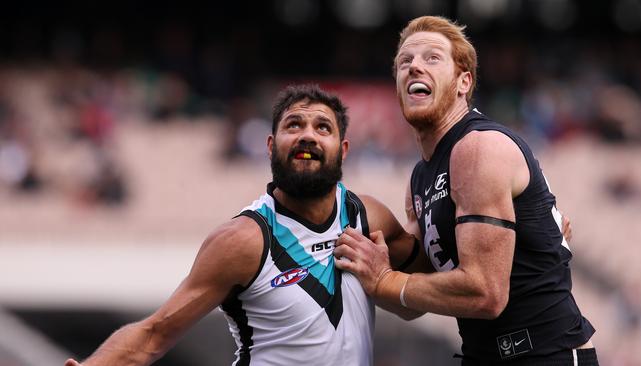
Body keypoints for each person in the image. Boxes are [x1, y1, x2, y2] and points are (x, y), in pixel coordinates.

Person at [63, 84, 422, 366]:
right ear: (269, 146)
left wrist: (385, 281)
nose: (307, 135)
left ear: (343, 149)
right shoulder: (242, 240)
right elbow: (154, 334)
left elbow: (415, 304)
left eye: (322, 127)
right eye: (293, 125)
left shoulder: (367, 216)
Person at [334, 16, 599, 365]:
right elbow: (413, 298)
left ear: (463, 82)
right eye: (404, 61)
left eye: (432, 58)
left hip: (544, 355)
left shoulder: (476, 148)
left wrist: (383, 280)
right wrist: (369, 268)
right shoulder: (420, 176)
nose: (414, 67)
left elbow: (485, 293)